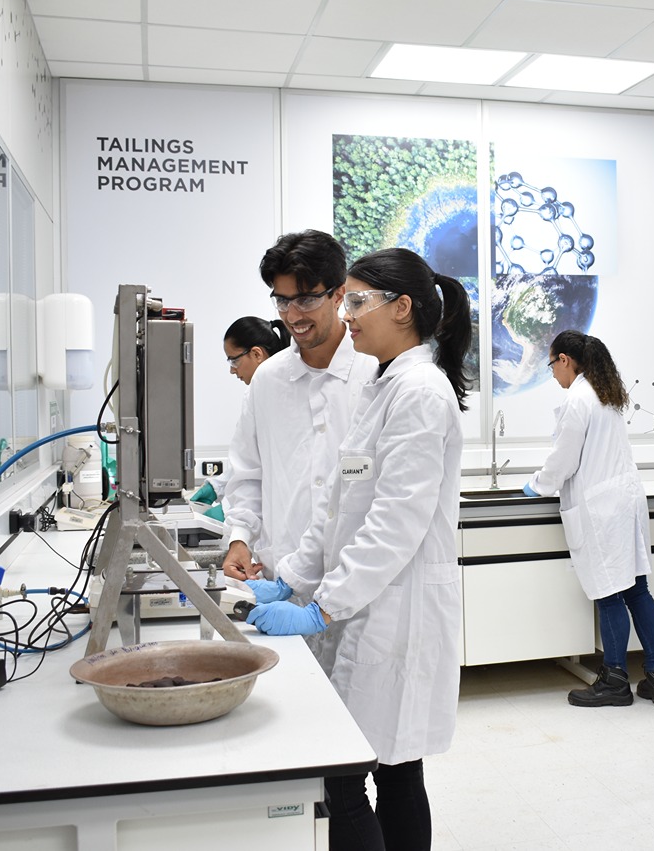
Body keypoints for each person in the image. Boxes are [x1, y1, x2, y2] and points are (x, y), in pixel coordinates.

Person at [244, 247, 472, 851]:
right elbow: (340, 509)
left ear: (403, 308)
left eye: (357, 301)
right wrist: (291, 580)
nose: (346, 315)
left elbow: (396, 522)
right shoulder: (383, 385)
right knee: (394, 772)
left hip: (397, 612)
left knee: (348, 781)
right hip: (370, 605)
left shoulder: (420, 390)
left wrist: (324, 607)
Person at [523, 331, 654, 708]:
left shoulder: (579, 399)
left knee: (609, 596)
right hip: (625, 500)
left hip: (602, 508)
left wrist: (537, 484)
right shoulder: (604, 394)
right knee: (638, 590)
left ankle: (616, 682)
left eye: (551, 365)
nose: (552, 374)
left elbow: (563, 460)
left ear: (564, 360)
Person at [219, 231, 378, 583]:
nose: (292, 315)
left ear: (339, 295)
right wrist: (240, 539)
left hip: (360, 582)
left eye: (305, 300)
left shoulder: (374, 373)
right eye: (282, 301)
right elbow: (248, 474)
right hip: (283, 578)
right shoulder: (267, 380)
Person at [187, 316, 290, 519]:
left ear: (256, 354)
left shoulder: (285, 395)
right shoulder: (259, 393)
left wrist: (228, 511)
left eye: (234, 360)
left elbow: (271, 470)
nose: (232, 369)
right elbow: (250, 459)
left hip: (280, 515)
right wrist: (217, 486)